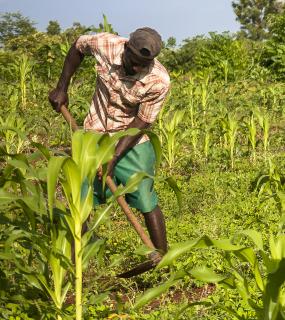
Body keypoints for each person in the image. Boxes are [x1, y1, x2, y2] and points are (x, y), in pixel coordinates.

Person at [48, 27, 170, 257]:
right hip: (93, 133)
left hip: (131, 138)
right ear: (126, 48)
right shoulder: (106, 44)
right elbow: (77, 47)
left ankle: (163, 259)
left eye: (143, 65)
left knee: (145, 196)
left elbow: (142, 121)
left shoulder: (159, 80)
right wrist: (62, 87)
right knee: (81, 199)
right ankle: (75, 268)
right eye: (133, 62)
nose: (136, 69)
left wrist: (113, 156)